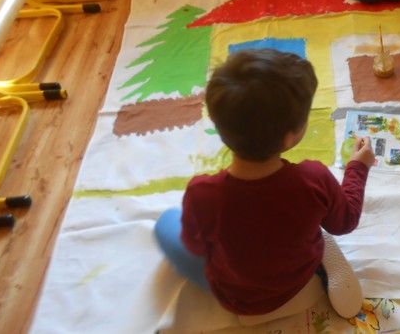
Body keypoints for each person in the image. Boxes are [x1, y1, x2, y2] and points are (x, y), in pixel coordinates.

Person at [154, 48, 376, 320]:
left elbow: (196, 247)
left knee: (165, 223)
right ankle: (315, 248)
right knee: (312, 214)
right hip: (298, 278)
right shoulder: (313, 179)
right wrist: (358, 167)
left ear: (218, 125)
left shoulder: (201, 194)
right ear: (289, 137)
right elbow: (345, 221)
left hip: (236, 298)